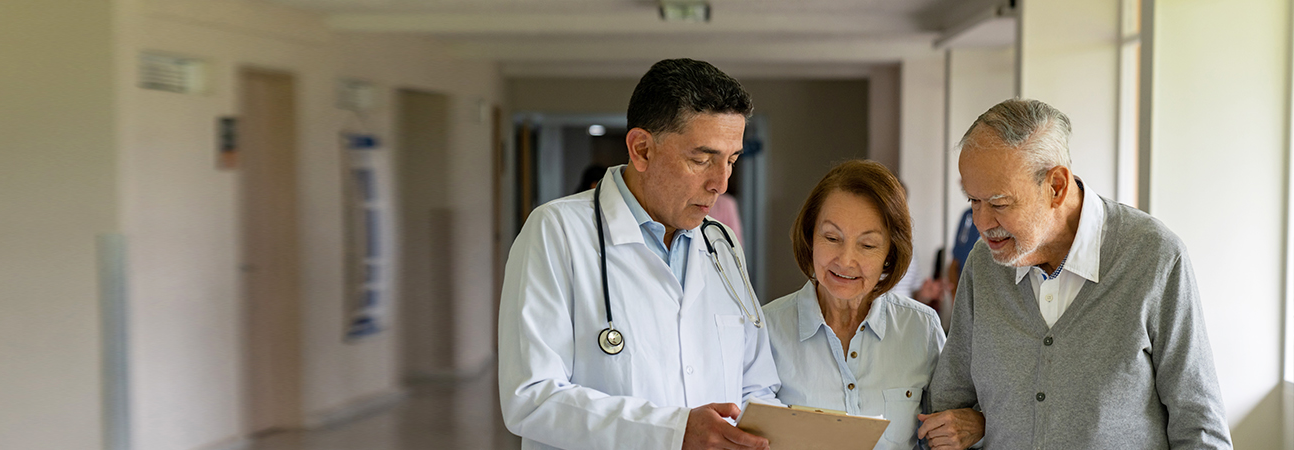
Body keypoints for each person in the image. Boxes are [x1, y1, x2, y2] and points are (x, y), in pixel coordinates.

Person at [498, 58, 779, 450]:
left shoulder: (722, 243)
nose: (721, 183)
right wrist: (672, 432)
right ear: (642, 149)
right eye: (702, 160)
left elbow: (756, 383)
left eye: (731, 160)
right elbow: (531, 398)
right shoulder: (557, 232)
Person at [923, 98, 1232, 449]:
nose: (981, 223)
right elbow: (950, 402)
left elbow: (1199, 425)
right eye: (972, 201)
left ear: (1056, 186)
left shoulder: (1153, 257)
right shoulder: (984, 264)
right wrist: (976, 423)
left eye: (999, 204)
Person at [764, 160, 945, 450]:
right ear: (811, 237)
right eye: (832, 238)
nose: (845, 260)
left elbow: (942, 437)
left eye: (868, 245)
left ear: (890, 253)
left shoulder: (921, 329)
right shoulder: (766, 330)